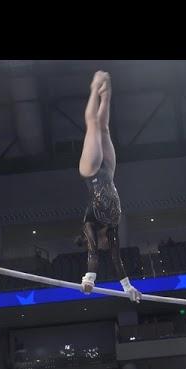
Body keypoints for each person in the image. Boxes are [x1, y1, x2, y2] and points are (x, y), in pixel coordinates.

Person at [76, 71, 141, 303]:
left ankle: (94, 87)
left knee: (92, 125)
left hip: (92, 172)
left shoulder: (89, 223)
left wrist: (89, 280)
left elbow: (93, 254)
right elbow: (116, 260)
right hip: (109, 173)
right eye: (107, 245)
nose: (106, 245)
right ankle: (106, 93)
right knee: (103, 128)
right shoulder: (113, 227)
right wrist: (128, 288)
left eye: (102, 244)